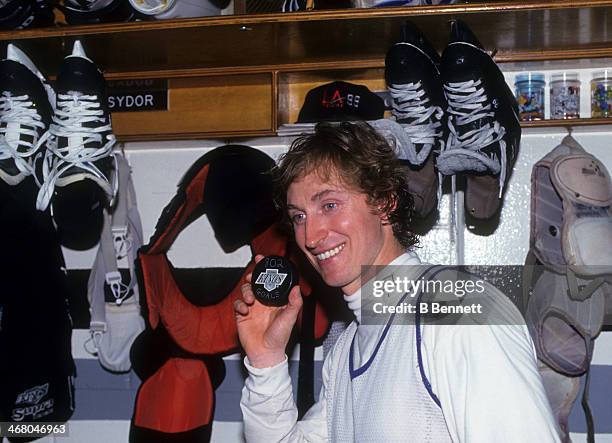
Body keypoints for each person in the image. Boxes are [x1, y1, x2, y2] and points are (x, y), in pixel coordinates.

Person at [234, 121, 560, 442]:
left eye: (329, 205)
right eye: (299, 217)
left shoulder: (459, 313)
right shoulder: (347, 347)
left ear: (385, 202)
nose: (311, 236)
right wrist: (266, 362)